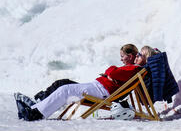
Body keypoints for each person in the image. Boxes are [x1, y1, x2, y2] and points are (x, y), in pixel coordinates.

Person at [15, 44, 143, 121]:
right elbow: (111, 73)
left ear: (130, 56)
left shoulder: (133, 68)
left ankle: (36, 114)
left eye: (123, 56)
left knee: (65, 90)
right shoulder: (128, 68)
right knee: (64, 85)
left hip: (101, 91)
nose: (121, 59)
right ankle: (33, 109)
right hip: (98, 86)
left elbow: (112, 72)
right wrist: (110, 74)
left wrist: (110, 72)